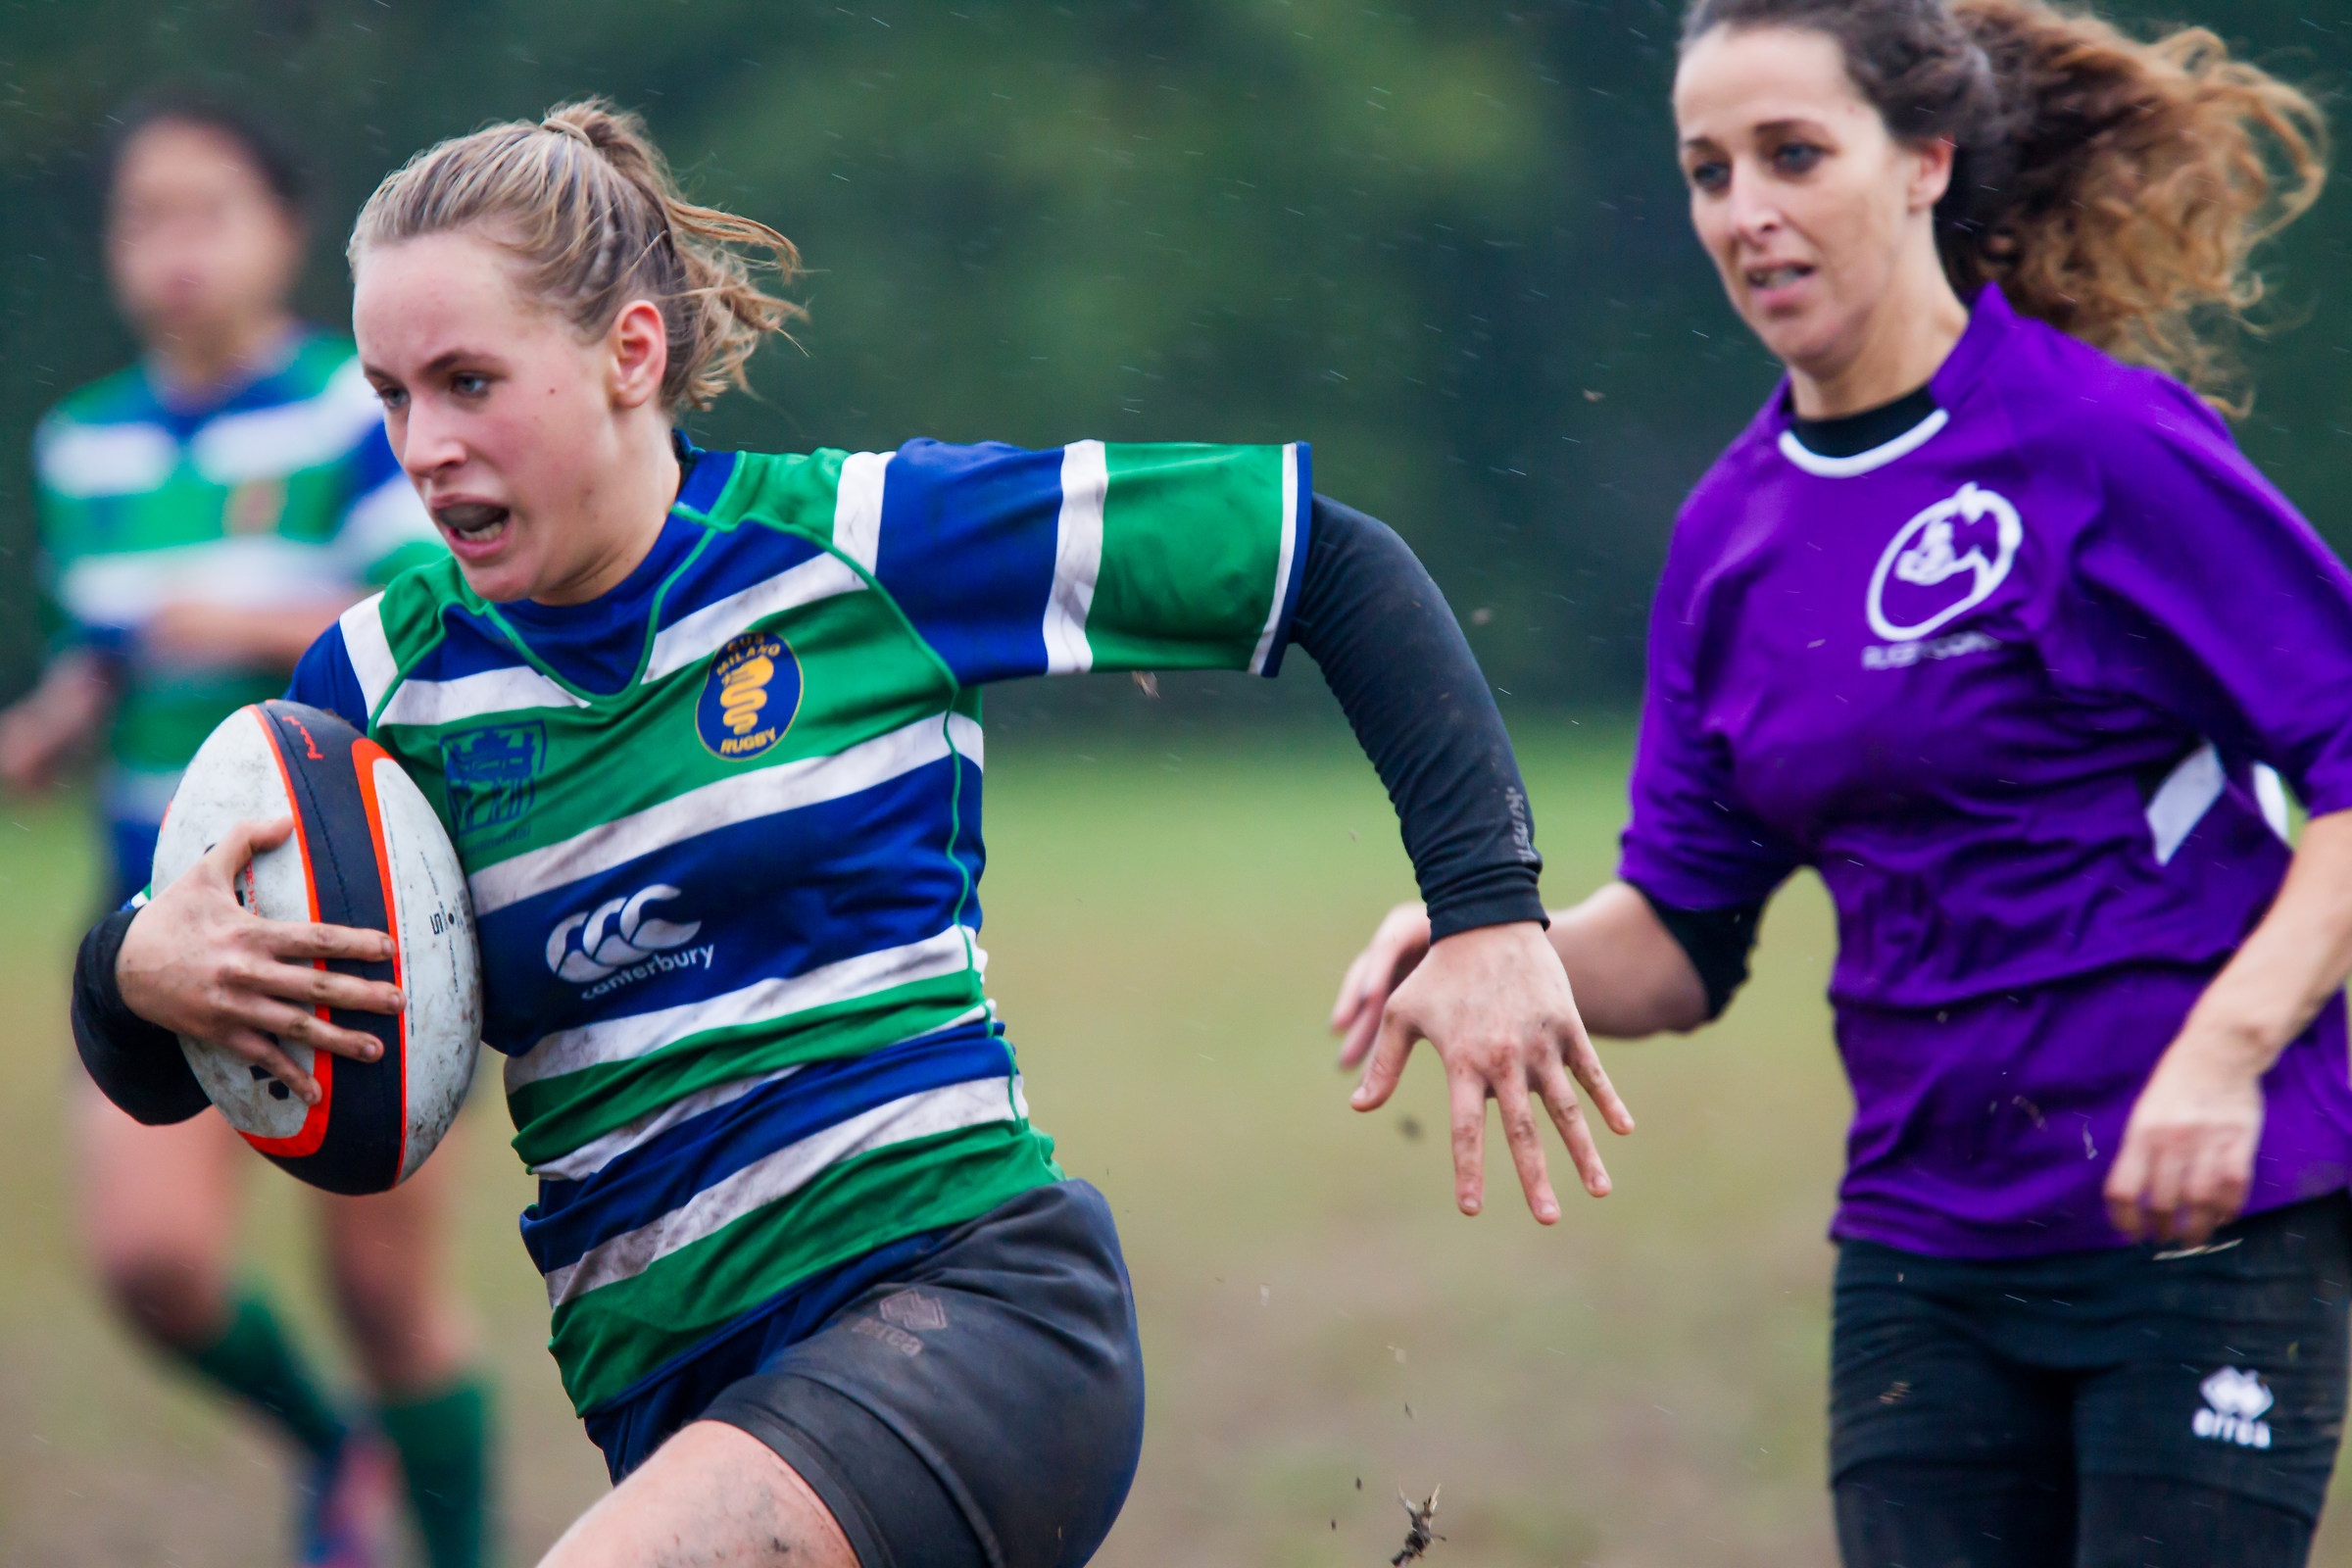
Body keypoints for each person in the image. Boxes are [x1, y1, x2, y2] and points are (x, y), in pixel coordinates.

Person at [66, 100, 1634, 1568]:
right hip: (675, 1400)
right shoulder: (380, 688)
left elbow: (1327, 567)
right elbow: (202, 1062)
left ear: (629, 352)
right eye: (391, 397)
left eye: (469, 384)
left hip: (963, 1313)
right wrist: (144, 972)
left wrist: (1490, 910)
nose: (423, 447)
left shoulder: (866, 548)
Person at [1332, 2, 2352, 1564]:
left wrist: (2223, 1056)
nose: (1747, 213)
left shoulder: (2102, 445)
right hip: (1922, 1253)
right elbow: (1681, 939)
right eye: (1708, 170)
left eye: (1793, 156)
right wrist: (1487, 938)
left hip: (2199, 1232)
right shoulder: (1730, 540)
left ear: (1925, 161)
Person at [0, 99, 495, 1568]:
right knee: (151, 1266)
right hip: (150, 904)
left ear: (285, 230)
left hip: (355, 907)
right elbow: (107, 646)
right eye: (145, 218)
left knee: (385, 1301)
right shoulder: (80, 446)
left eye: (208, 212)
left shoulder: (366, 407)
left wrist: (237, 622)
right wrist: (52, 719)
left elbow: (422, 620)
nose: (174, 251)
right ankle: (328, 1448)